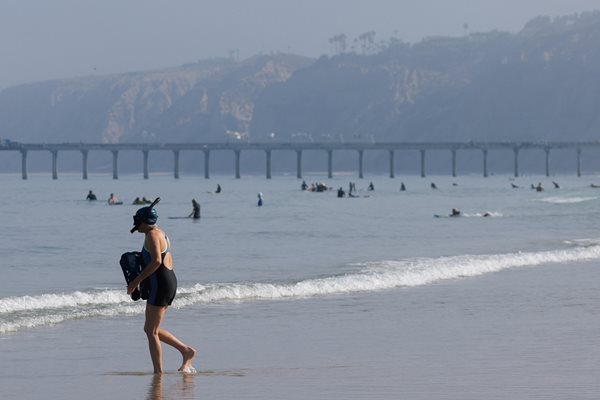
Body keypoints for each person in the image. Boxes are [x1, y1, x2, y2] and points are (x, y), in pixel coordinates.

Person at [127, 201, 196, 374]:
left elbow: (157, 260)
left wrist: (136, 281)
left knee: (151, 332)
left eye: (137, 221)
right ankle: (186, 351)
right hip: (167, 282)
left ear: (144, 221)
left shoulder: (151, 234)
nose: (136, 225)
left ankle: (158, 373)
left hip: (162, 285)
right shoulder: (160, 233)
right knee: (151, 329)